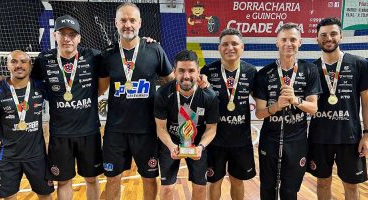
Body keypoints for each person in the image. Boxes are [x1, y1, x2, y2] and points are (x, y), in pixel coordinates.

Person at [0, 15, 103, 200]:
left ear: (79, 38)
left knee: (91, 179)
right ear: (55, 36)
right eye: (62, 34)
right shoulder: (44, 59)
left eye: (72, 34)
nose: (67, 38)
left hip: (89, 132)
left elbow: (106, 80)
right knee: (63, 182)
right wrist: (0, 78)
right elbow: (23, 77)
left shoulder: (93, 56)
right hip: (60, 135)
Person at [97, 3, 176, 200]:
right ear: (116, 23)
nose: (128, 25)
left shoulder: (154, 49)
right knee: (113, 178)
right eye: (123, 20)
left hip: (147, 130)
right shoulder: (107, 55)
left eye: (132, 20)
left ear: (140, 23)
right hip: (115, 131)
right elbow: (101, 89)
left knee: (148, 179)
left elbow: (172, 82)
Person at [307, 17, 368, 200]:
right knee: (322, 183)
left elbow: (367, 101)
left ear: (341, 36)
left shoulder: (359, 64)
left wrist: (367, 134)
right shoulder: (310, 69)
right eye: (323, 35)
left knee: (352, 186)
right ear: (317, 38)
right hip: (319, 138)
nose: (328, 38)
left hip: (350, 137)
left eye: (333, 33)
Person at [253, 23, 322, 200]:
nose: (288, 43)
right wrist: (277, 106)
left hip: (297, 141)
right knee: (267, 189)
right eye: (284, 39)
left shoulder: (310, 70)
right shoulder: (264, 73)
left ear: (300, 42)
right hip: (270, 140)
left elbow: (313, 108)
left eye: (292, 39)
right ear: (277, 42)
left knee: (290, 191)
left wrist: (295, 100)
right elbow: (260, 113)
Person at [0, 50, 54, 200]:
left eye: (23, 61)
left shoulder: (40, 87)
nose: (19, 65)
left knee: (45, 195)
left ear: (30, 65)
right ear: (7, 66)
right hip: (8, 157)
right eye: (14, 62)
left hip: (36, 156)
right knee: (9, 197)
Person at [154, 50, 219, 200]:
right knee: (167, 189)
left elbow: (211, 129)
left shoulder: (209, 96)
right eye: (181, 70)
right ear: (174, 71)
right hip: (170, 142)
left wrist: (201, 147)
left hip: (196, 143)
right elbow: (161, 128)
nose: (186, 76)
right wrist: (171, 146)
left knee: (200, 189)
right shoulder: (163, 94)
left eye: (191, 70)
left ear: (198, 71)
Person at [200, 28, 257, 200]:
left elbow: (261, 102)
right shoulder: (207, 71)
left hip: (241, 140)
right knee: (214, 181)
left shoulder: (251, 71)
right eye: (225, 44)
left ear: (242, 47)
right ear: (219, 48)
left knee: (237, 181)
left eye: (234, 44)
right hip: (214, 139)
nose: (229, 48)